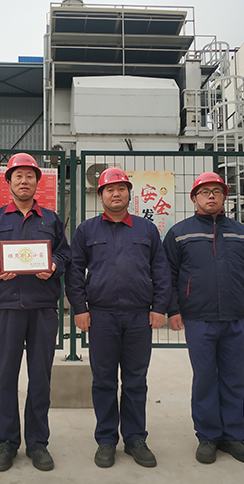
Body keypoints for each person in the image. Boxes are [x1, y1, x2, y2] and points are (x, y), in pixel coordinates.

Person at [65, 167, 171, 469]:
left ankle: (135, 438)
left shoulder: (146, 229)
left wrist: (159, 307)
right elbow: (74, 272)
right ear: (100, 195)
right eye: (109, 189)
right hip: (101, 317)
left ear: (128, 194)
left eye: (121, 189)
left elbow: (161, 270)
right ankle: (106, 440)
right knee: (104, 381)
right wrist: (80, 308)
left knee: (136, 380)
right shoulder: (86, 230)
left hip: (139, 316)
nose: (116, 194)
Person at [0, 153, 70, 472]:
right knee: (5, 377)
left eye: (30, 176)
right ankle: (7, 442)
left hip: (43, 307)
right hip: (7, 307)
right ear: (9, 182)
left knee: (40, 378)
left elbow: (65, 255)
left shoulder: (51, 220)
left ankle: (38, 443)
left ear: (38, 182)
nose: (24, 181)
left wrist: (54, 265)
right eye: (18, 176)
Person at [163, 171, 244, 465]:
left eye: (217, 192)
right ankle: (207, 436)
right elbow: (168, 275)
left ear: (224, 197)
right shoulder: (179, 233)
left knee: (235, 378)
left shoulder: (241, 233)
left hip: (235, 319)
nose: (211, 196)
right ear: (194, 198)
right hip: (199, 318)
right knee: (205, 378)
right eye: (205, 192)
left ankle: (233, 436)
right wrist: (173, 310)